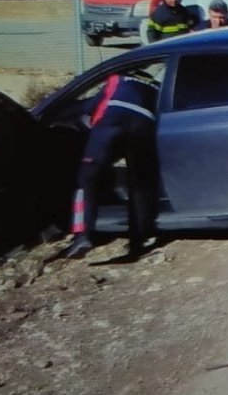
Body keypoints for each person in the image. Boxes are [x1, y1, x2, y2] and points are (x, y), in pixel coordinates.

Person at [62, 70, 160, 261]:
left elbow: (91, 105)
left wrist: (65, 113)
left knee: (86, 178)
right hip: (144, 124)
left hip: (112, 121)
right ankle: (138, 241)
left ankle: (82, 236)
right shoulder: (154, 88)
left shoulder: (116, 79)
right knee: (139, 185)